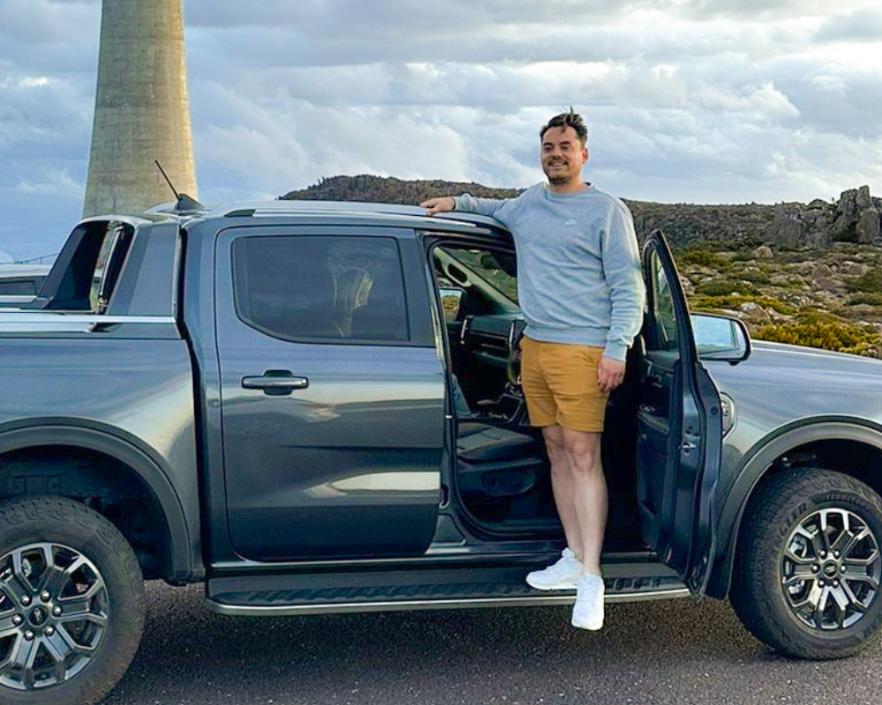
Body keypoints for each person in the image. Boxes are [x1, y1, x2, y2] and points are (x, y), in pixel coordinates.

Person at [420, 110, 645, 630]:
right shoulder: (528, 205)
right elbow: (493, 208)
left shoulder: (607, 211)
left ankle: (591, 578)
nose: (556, 154)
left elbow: (628, 286)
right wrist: (455, 202)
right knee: (556, 451)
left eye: (565, 146)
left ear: (583, 153)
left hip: (584, 351)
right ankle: (571, 555)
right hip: (537, 348)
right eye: (548, 146)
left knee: (584, 455)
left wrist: (618, 347)